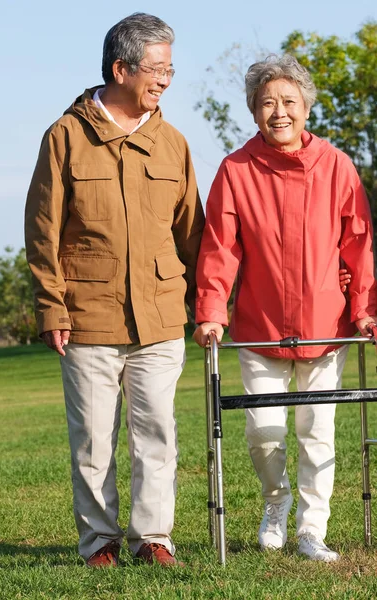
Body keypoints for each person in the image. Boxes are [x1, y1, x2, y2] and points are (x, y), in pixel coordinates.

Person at [25, 13, 204, 568]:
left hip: (161, 317)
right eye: (157, 68)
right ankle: (100, 540)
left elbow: (193, 232)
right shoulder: (65, 136)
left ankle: (154, 538)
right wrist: (51, 307)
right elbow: (42, 231)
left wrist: (210, 301)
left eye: (171, 68)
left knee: (157, 435)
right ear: (120, 67)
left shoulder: (173, 143)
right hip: (87, 317)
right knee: (94, 441)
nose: (166, 79)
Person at [193, 54, 377, 562]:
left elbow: (357, 245)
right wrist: (211, 309)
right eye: (268, 102)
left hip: (326, 326)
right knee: (264, 429)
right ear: (254, 111)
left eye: (290, 102)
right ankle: (276, 502)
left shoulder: (337, 166)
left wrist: (364, 309)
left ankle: (311, 529)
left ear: (307, 109)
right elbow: (220, 248)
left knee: (318, 431)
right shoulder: (236, 169)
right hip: (260, 326)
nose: (280, 112)